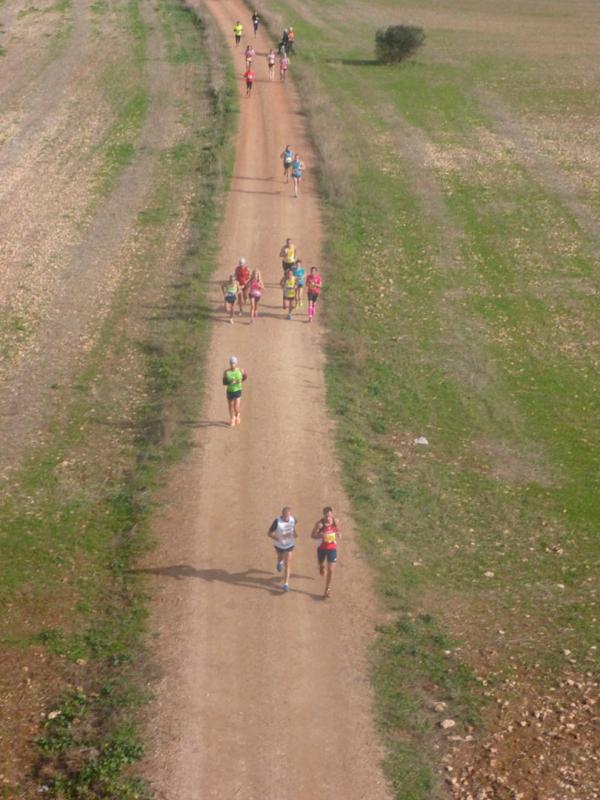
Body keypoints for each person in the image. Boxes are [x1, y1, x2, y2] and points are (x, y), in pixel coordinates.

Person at [267, 506, 298, 592]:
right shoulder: (277, 521)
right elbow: (269, 533)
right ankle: (279, 562)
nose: (286, 518)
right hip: (279, 545)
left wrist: (295, 533)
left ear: (290, 515)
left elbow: (293, 526)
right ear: (282, 514)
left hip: (289, 545)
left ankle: (286, 584)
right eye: (285, 516)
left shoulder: (293, 519)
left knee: (287, 564)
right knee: (280, 557)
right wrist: (278, 539)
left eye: (288, 516)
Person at [311, 506, 339, 598]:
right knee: (321, 565)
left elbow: (339, 532)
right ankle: (321, 566)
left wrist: (339, 534)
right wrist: (320, 535)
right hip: (322, 548)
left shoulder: (335, 522)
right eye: (326, 516)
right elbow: (312, 535)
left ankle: (327, 589)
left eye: (329, 516)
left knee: (330, 570)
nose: (328, 518)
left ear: (332, 515)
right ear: (323, 516)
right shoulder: (320, 524)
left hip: (332, 548)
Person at [223, 356, 247, 426]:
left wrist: (240, 381)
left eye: (233, 363)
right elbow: (224, 382)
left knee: (236, 407)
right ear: (229, 363)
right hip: (230, 391)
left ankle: (237, 415)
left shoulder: (240, 370)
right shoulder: (226, 372)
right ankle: (232, 419)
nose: (232, 364)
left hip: (238, 390)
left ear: (236, 363)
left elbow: (246, 376)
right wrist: (230, 382)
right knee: (230, 406)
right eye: (231, 363)